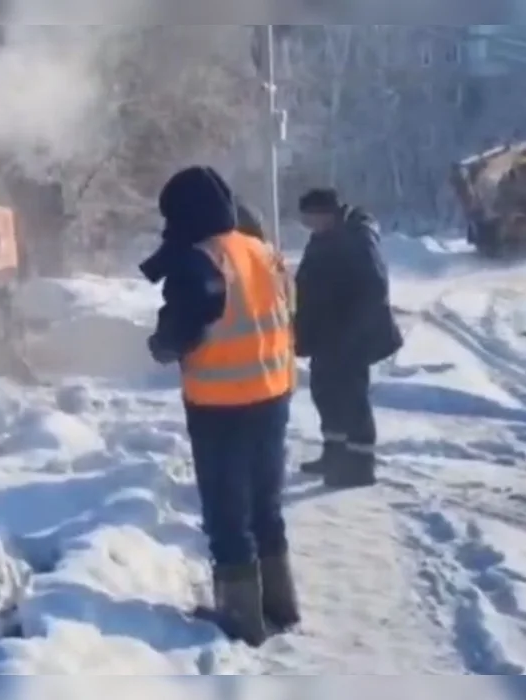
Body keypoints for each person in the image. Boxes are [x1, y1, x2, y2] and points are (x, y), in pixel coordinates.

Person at [141, 166, 297, 647]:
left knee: (228, 515)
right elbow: (286, 310)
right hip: (273, 394)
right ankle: (280, 605)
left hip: (221, 406)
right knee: (265, 507)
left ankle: (241, 619)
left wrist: (159, 344)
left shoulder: (199, 262)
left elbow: (181, 333)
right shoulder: (263, 251)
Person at [294, 188, 403, 489]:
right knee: (325, 394)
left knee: (351, 399)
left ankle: (358, 466)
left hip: (349, 337)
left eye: (309, 217)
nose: (307, 224)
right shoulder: (324, 237)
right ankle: (335, 454)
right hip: (326, 336)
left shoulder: (357, 236)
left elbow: (374, 286)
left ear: (325, 212)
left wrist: (352, 330)